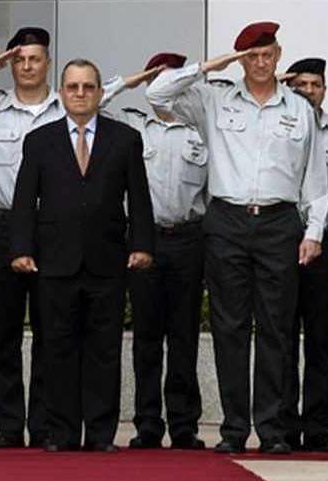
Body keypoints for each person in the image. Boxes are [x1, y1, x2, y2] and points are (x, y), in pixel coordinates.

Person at [0, 27, 158, 448]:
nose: (27, 65)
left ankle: (51, 428)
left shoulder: (103, 125)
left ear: (49, 66)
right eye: (20, 59)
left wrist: (141, 244)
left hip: (84, 247)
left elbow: (137, 198)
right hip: (9, 231)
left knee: (65, 341)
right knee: (7, 336)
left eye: (35, 58)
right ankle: (12, 428)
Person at [146, 21, 328, 454]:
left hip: (280, 223)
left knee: (276, 329)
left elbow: (315, 180)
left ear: (279, 54)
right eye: (251, 56)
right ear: (239, 59)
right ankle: (233, 429)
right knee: (228, 328)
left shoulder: (299, 109)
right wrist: (213, 64)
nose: (260, 63)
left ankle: (271, 430)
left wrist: (314, 231)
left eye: (267, 54)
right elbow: (158, 94)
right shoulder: (213, 98)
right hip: (226, 222)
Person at [10, 58, 154, 452]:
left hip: (108, 263)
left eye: (88, 87)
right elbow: (25, 200)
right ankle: (62, 433)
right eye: (72, 87)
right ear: (61, 93)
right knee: (57, 350)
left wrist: (142, 245)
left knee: (104, 351)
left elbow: (139, 199)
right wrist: (21, 248)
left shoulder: (125, 139)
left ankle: (102, 435)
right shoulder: (39, 141)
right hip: (55, 263)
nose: (80, 93)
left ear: (100, 93)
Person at [113, 52, 208, 450]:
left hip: (189, 237)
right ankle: (148, 423)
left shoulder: (203, 129)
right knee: (147, 336)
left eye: (175, 78)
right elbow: (88, 103)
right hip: (144, 239)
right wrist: (132, 79)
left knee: (185, 335)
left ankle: (184, 425)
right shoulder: (133, 125)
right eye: (161, 78)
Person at [279, 57, 328, 453]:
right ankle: (284, 429)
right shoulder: (276, 126)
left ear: (324, 90)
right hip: (278, 243)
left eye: (315, 84)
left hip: (327, 244)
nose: (308, 91)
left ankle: (318, 429)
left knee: (320, 341)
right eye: (301, 85)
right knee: (281, 338)